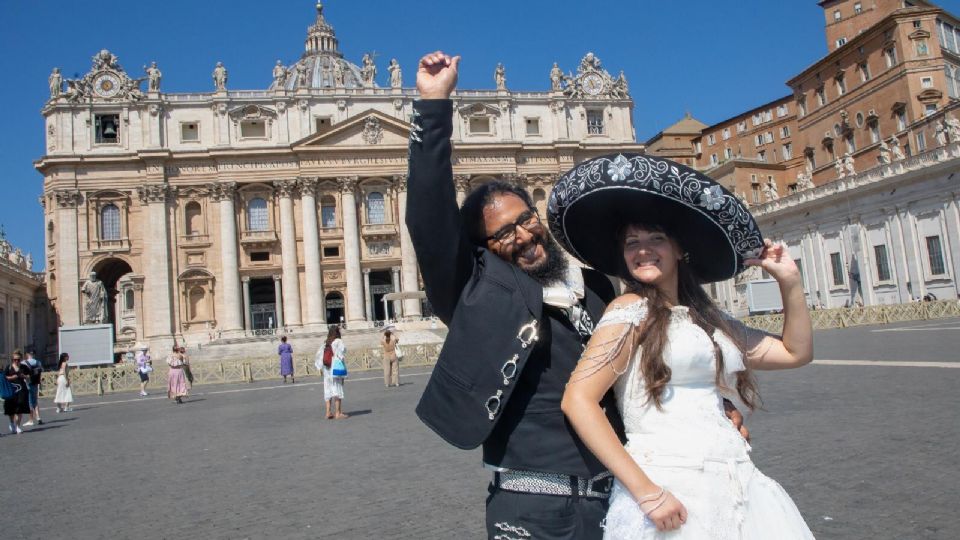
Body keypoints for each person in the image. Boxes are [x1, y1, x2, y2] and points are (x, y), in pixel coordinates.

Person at [406, 51, 748, 539]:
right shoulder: (473, 292)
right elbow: (428, 218)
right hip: (531, 507)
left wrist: (713, 411)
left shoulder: (595, 288)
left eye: (525, 219)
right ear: (483, 249)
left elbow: (642, 373)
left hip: (619, 503)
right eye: (502, 234)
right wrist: (434, 105)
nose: (522, 235)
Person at [553, 152, 814, 537]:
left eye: (656, 239)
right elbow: (578, 399)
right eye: (632, 242)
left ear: (680, 249)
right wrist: (648, 494)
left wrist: (789, 280)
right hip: (669, 484)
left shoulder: (709, 318)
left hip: (736, 479)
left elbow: (795, 353)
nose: (643, 250)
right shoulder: (630, 310)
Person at [319, 326, 348, 420]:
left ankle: (328, 412)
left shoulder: (326, 343)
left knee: (328, 390)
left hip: (327, 369)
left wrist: (321, 368)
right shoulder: (338, 342)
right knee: (337, 389)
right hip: (335, 369)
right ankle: (338, 413)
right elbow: (342, 353)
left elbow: (319, 357)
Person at [4, 351, 30, 433]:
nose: (16, 361)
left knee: (20, 408)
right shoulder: (8, 367)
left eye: (18, 359)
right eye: (15, 359)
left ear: (20, 359)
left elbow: (29, 375)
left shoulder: (24, 367)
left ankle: (18, 426)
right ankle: (12, 423)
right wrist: (12, 377)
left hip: (22, 390)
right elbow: (4, 377)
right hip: (11, 390)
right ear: (12, 359)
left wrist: (24, 376)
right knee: (11, 409)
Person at [23, 351, 43, 426]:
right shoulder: (38, 362)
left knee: (30, 402)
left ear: (27, 354)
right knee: (35, 401)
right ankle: (38, 417)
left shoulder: (24, 363)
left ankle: (31, 420)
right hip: (36, 383)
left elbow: (22, 374)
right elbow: (40, 373)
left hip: (28, 383)